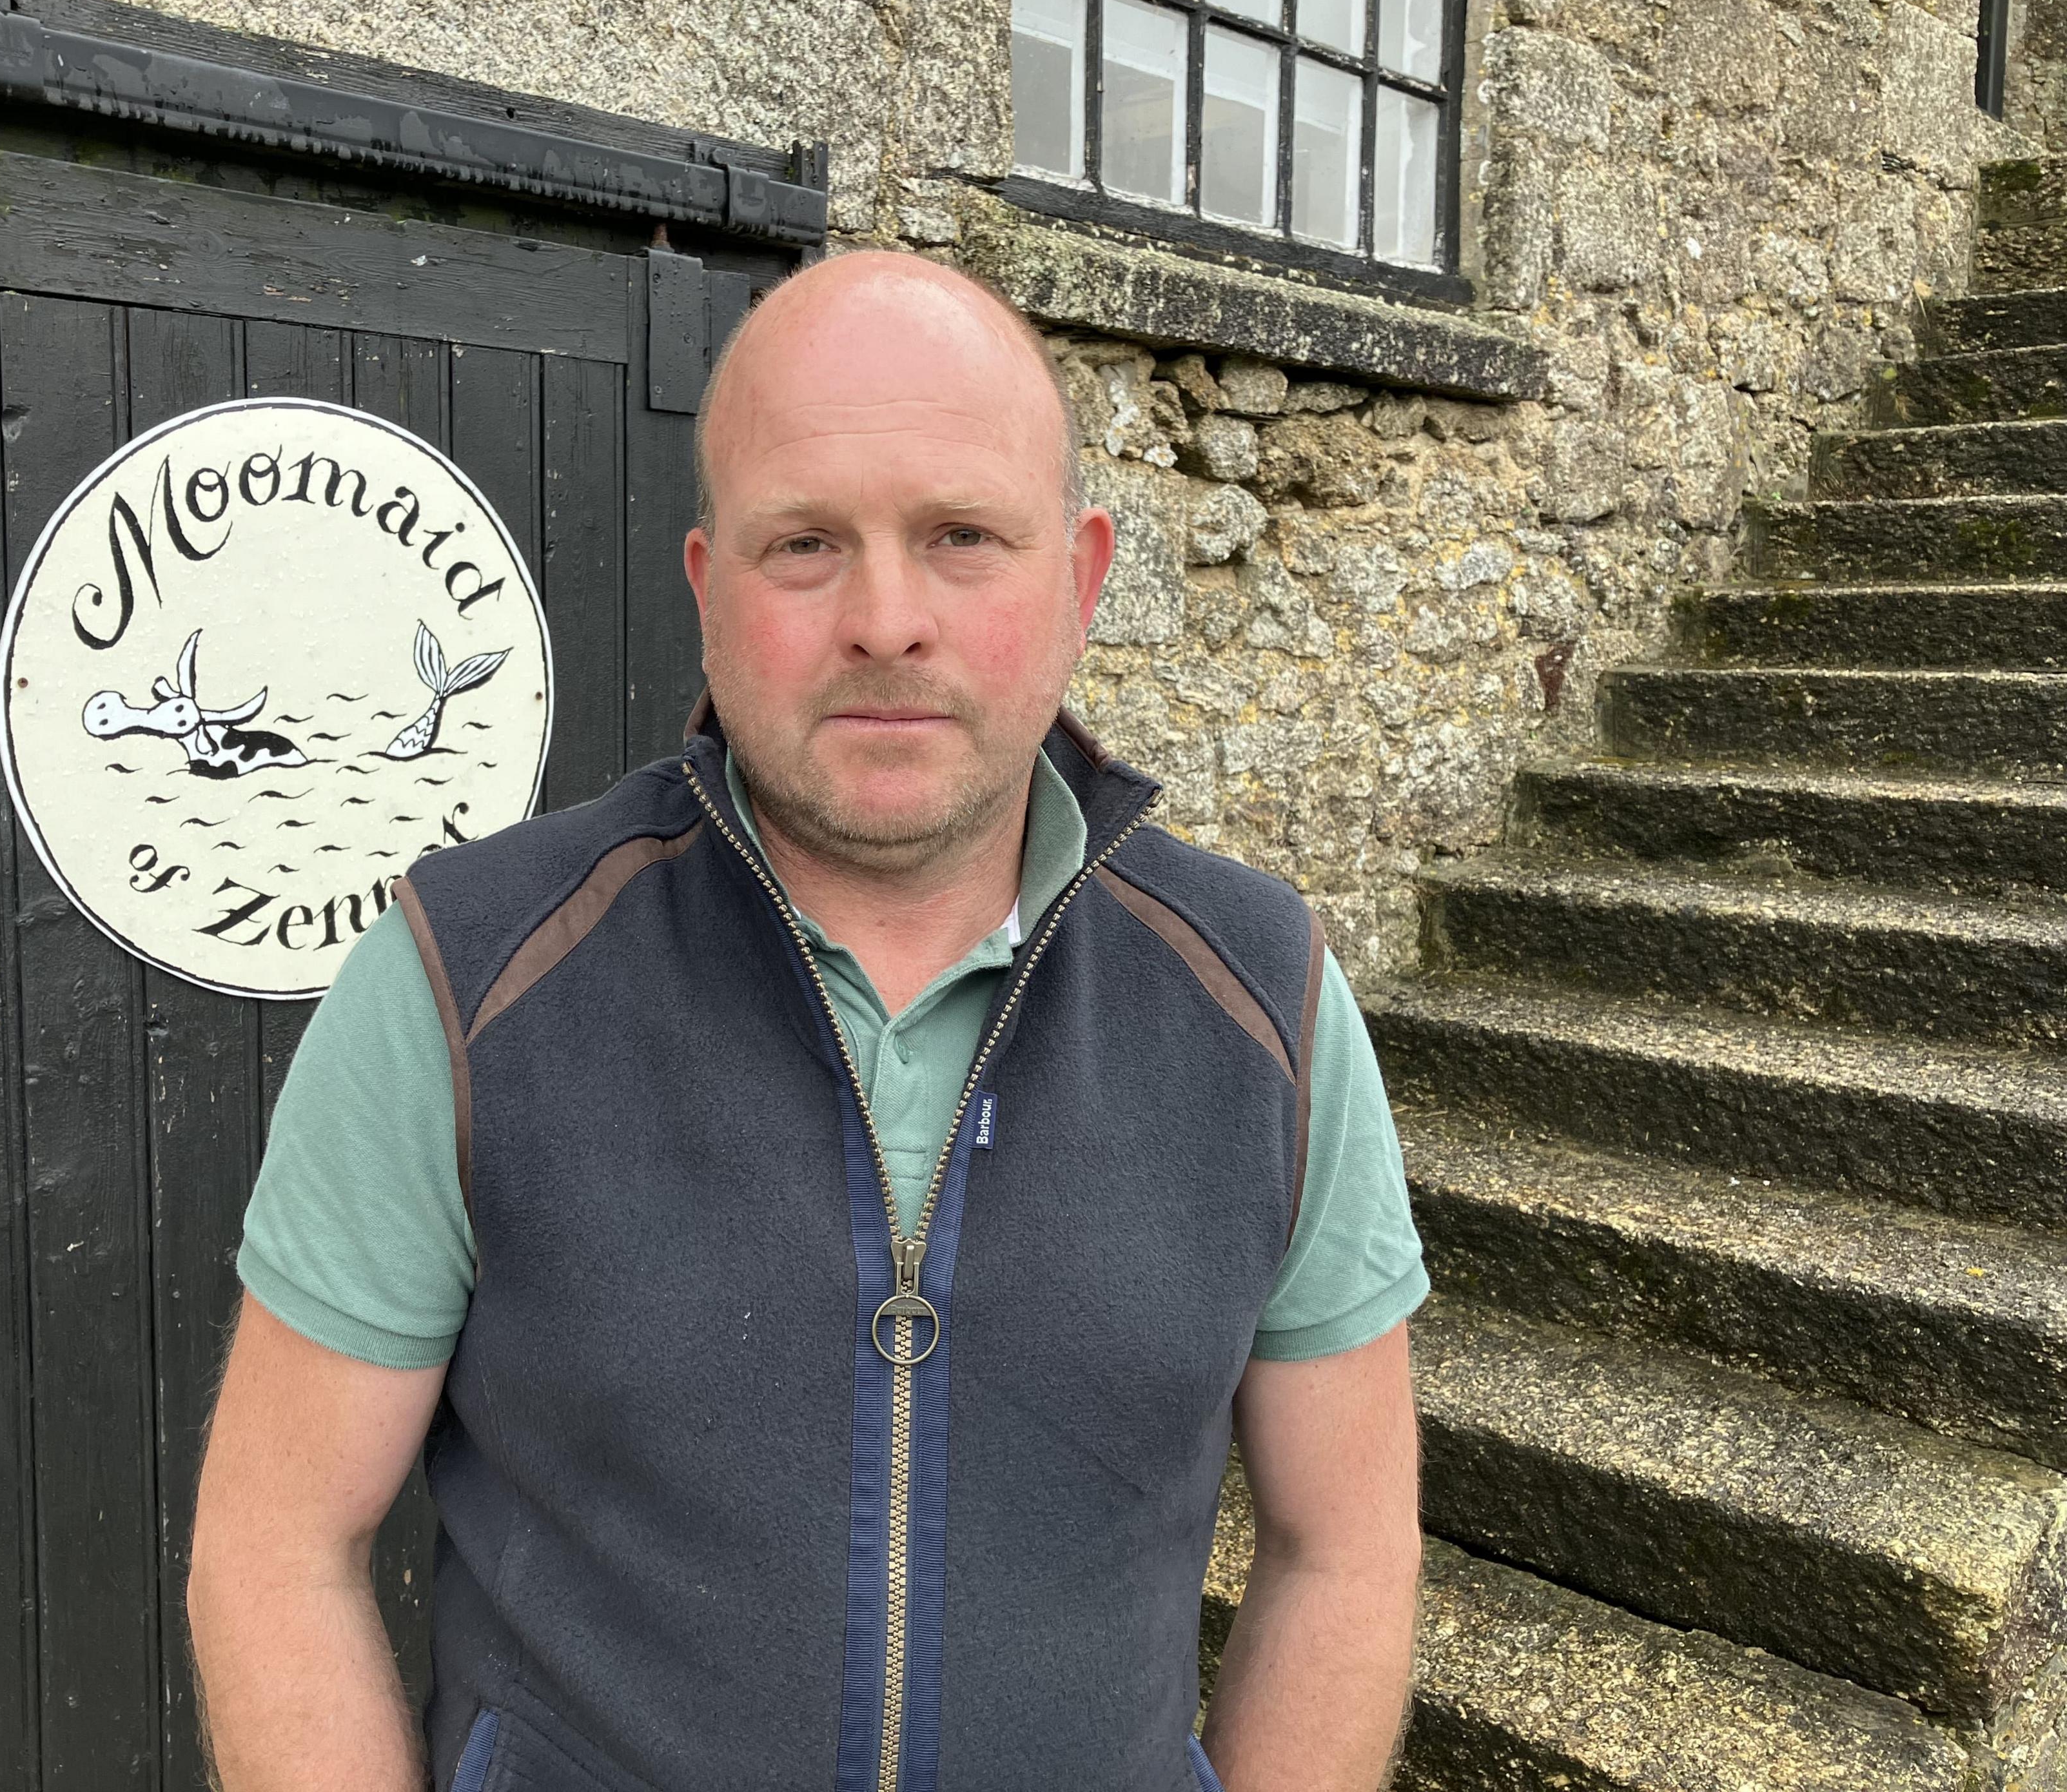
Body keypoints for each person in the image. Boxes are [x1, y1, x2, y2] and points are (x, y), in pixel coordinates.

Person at [188, 251, 1428, 1792]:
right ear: (712, 589)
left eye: (962, 536)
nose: (886, 619)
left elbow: (1346, 1551)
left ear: (1083, 580)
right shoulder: (461, 980)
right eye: (806, 545)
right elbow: (276, 1550)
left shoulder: (1268, 999)